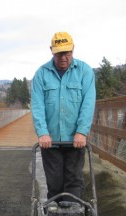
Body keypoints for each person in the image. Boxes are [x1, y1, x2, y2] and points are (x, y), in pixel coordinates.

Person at [31, 32, 96, 203]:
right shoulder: (41, 74)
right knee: (55, 184)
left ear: (73, 49)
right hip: (50, 140)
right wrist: (42, 133)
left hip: (75, 139)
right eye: (59, 53)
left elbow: (88, 104)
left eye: (67, 53)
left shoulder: (84, 71)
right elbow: (37, 106)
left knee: (74, 181)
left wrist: (82, 131)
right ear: (51, 50)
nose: (64, 58)